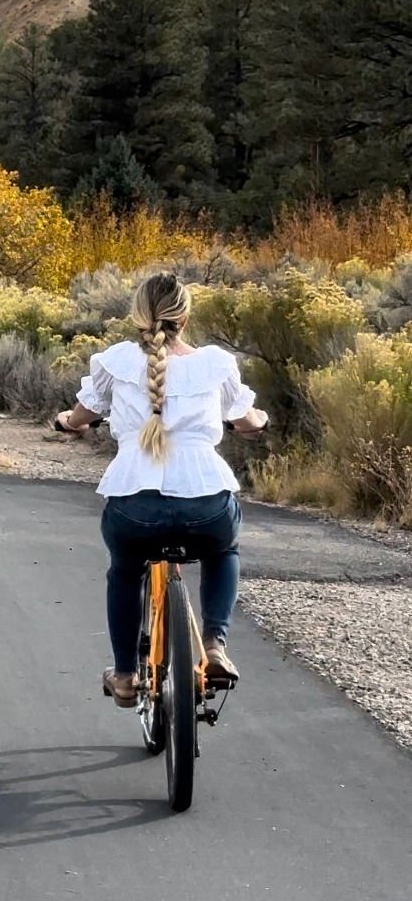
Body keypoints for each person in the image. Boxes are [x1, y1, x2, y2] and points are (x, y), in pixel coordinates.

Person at [55, 271, 268, 708]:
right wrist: (258, 421)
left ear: (138, 315)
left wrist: (66, 423)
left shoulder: (114, 362)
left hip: (136, 506)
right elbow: (246, 420)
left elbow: (81, 415)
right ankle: (214, 646)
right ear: (184, 318)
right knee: (223, 550)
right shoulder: (215, 364)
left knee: (125, 570)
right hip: (205, 503)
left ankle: (126, 676)